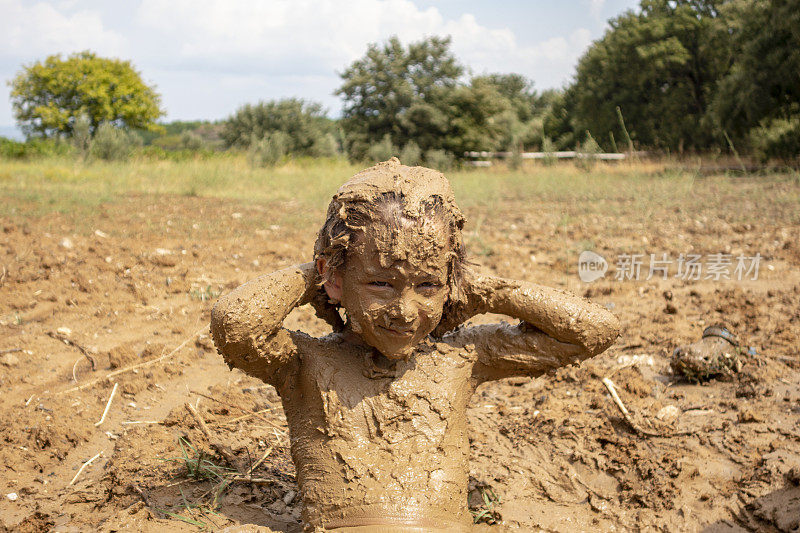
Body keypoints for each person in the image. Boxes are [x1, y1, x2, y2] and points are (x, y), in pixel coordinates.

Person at [211, 158, 620, 532]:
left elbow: (593, 330)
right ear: (336, 278)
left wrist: (475, 289)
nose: (404, 312)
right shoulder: (305, 365)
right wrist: (319, 274)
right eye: (380, 283)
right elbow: (236, 323)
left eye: (427, 284)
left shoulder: (463, 357)